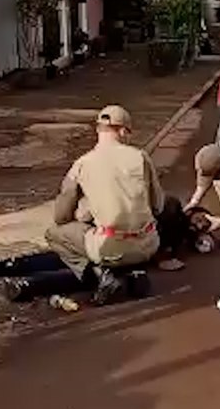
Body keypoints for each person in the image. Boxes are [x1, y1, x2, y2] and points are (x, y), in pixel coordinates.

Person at [45, 105, 165, 305]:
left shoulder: (82, 164)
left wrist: (85, 213)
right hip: (148, 244)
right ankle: (134, 272)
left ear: (98, 130)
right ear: (123, 131)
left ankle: (101, 277)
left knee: (54, 234)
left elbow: (61, 217)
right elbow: (158, 206)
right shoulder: (141, 157)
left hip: (109, 247)